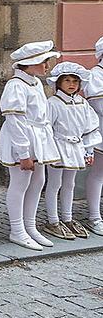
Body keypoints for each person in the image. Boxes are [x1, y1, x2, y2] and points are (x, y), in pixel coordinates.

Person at [0, 41, 61, 250]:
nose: (47, 66)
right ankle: (17, 229)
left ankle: (30, 226)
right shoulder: (16, 86)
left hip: (38, 139)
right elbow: (15, 120)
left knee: (38, 181)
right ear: (30, 63)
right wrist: (23, 152)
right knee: (20, 183)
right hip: (22, 139)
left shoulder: (34, 83)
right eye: (44, 61)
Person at [43, 62, 100, 240]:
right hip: (58, 147)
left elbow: (90, 128)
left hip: (75, 148)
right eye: (66, 80)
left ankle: (67, 218)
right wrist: (48, 151)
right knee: (54, 184)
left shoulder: (82, 103)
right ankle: (53, 221)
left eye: (75, 80)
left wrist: (89, 151)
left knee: (70, 184)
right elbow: (47, 128)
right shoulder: (53, 103)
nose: (71, 84)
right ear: (58, 83)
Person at [80, 35, 103, 236]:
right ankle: (94, 217)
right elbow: (99, 105)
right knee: (98, 174)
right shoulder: (95, 75)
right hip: (100, 131)